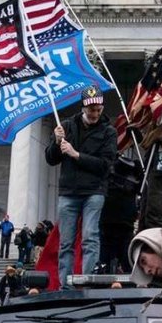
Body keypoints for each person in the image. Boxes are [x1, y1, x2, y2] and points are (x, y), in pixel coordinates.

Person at [45, 85, 117, 288]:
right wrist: (56, 142)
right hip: (69, 192)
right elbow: (51, 159)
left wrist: (76, 155)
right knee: (66, 242)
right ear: (83, 107)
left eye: (98, 109)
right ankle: (66, 285)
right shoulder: (67, 126)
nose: (95, 113)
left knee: (89, 237)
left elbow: (105, 165)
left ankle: (88, 283)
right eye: (91, 109)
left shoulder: (108, 132)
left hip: (94, 191)